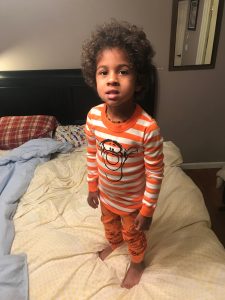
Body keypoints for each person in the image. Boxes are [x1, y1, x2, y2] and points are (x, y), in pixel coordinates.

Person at [81, 20, 164, 289]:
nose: (112, 79)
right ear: (93, 77)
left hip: (133, 202)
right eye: (103, 72)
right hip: (106, 195)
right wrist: (93, 185)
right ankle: (115, 245)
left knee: (134, 235)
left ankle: (137, 263)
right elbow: (92, 152)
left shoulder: (147, 128)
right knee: (110, 227)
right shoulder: (93, 117)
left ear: (138, 79)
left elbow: (155, 171)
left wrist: (147, 209)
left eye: (123, 71)